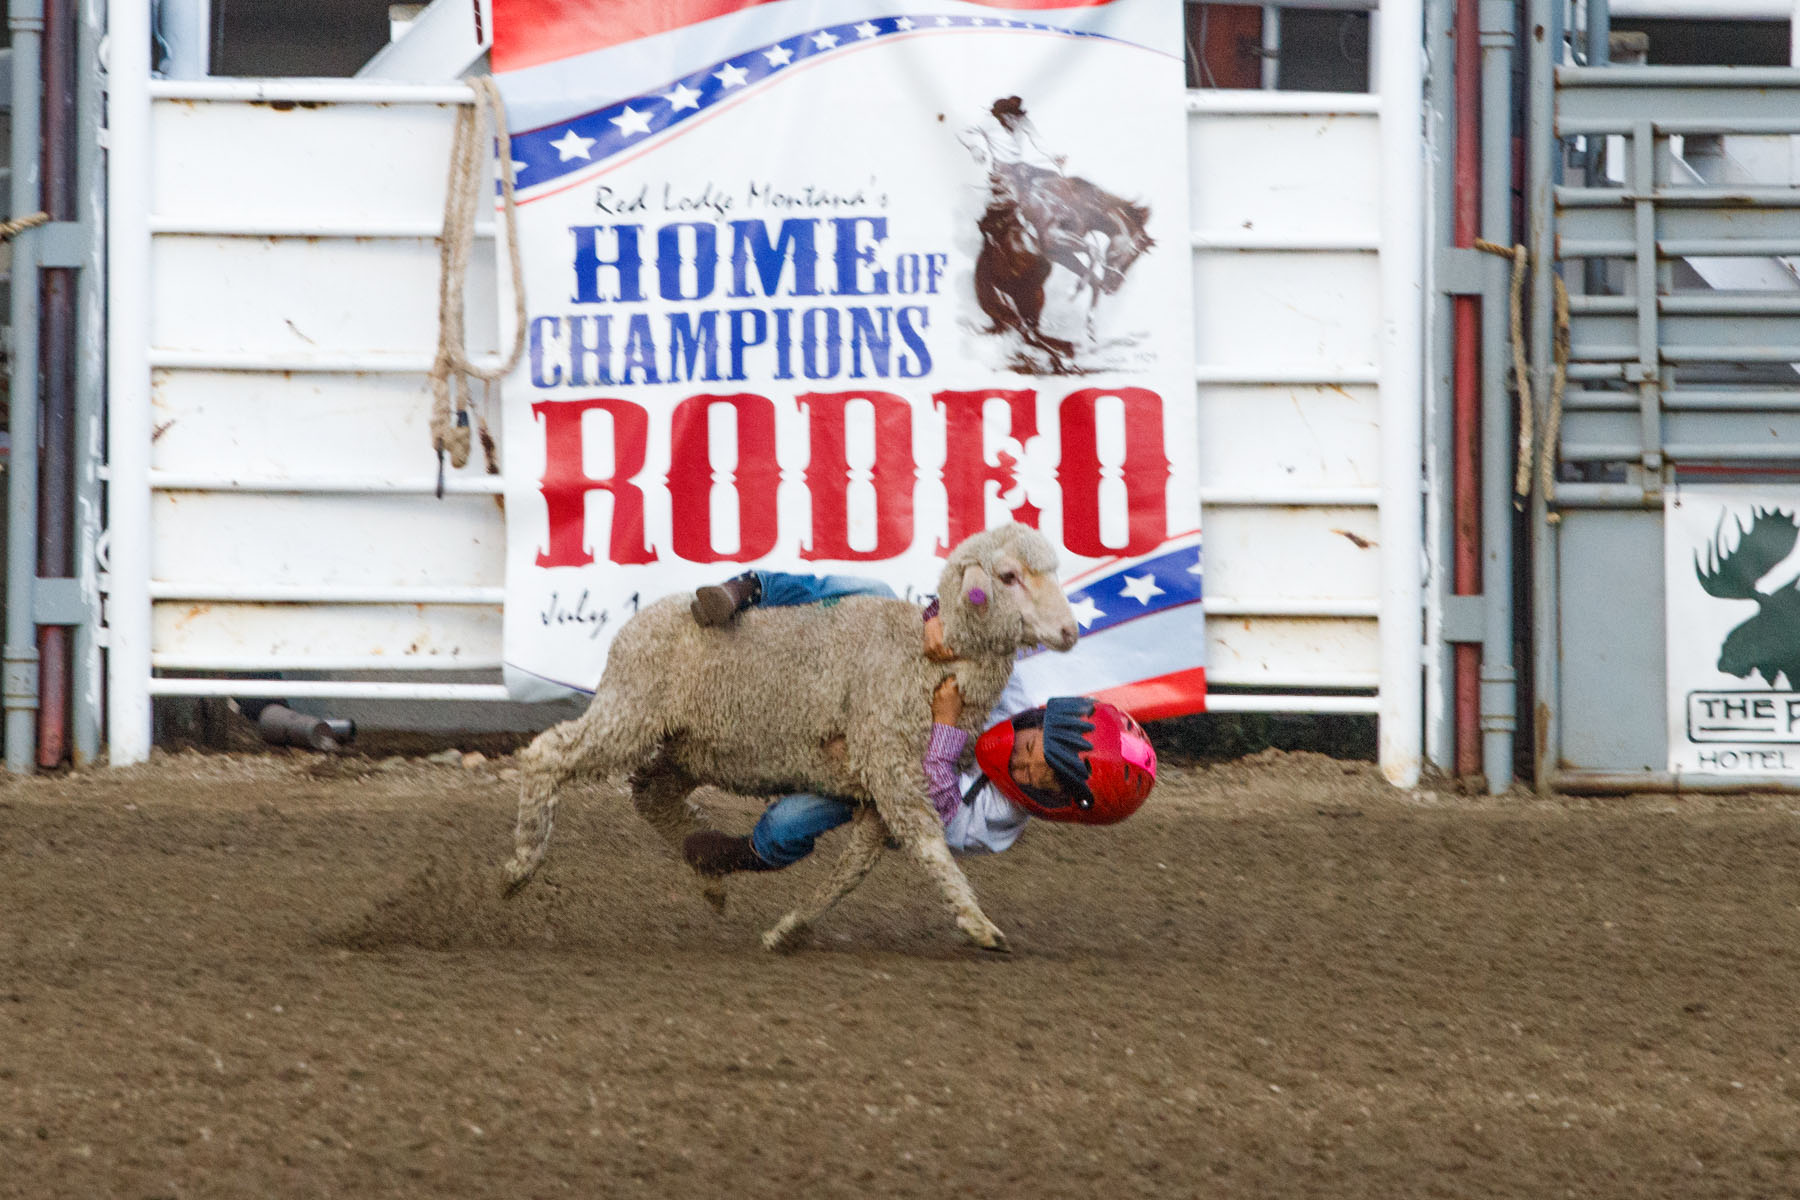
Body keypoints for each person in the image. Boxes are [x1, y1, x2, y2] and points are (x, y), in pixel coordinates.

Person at [680, 572, 1158, 874]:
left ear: (1054, 806)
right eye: (1034, 749)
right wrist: (934, 616)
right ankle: (755, 588)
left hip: (880, 786)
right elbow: (977, 599)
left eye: (1037, 778)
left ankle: (749, 854)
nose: (1022, 762)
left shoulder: (999, 823)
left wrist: (946, 726)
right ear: (1042, 719)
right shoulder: (1009, 691)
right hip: (882, 696)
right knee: (876, 594)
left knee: (792, 820)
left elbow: (934, 815)